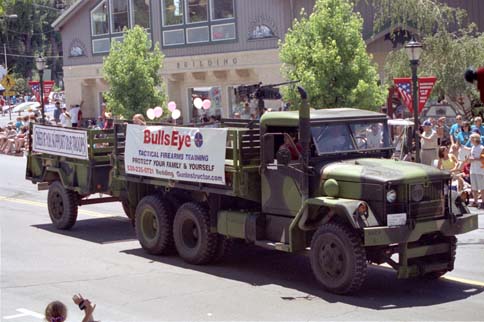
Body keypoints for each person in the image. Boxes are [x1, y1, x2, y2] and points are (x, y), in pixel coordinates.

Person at [468, 133, 484, 208]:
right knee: (474, 187)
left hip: (480, 170)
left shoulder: (481, 148)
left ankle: (483, 202)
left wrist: (474, 159)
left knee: (482, 187)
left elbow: (482, 158)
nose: (470, 140)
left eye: (471, 138)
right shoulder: (472, 147)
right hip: (473, 169)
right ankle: (475, 201)